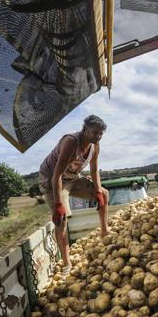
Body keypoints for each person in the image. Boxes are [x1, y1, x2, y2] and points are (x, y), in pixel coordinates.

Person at [39, 115, 109, 273]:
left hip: (72, 178)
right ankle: (66, 264)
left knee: (104, 193)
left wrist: (97, 190)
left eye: (100, 134)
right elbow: (56, 175)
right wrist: (58, 205)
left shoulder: (94, 146)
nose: (97, 136)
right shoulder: (71, 142)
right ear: (85, 129)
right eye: (94, 133)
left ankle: (105, 234)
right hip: (51, 180)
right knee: (61, 220)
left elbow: (94, 170)